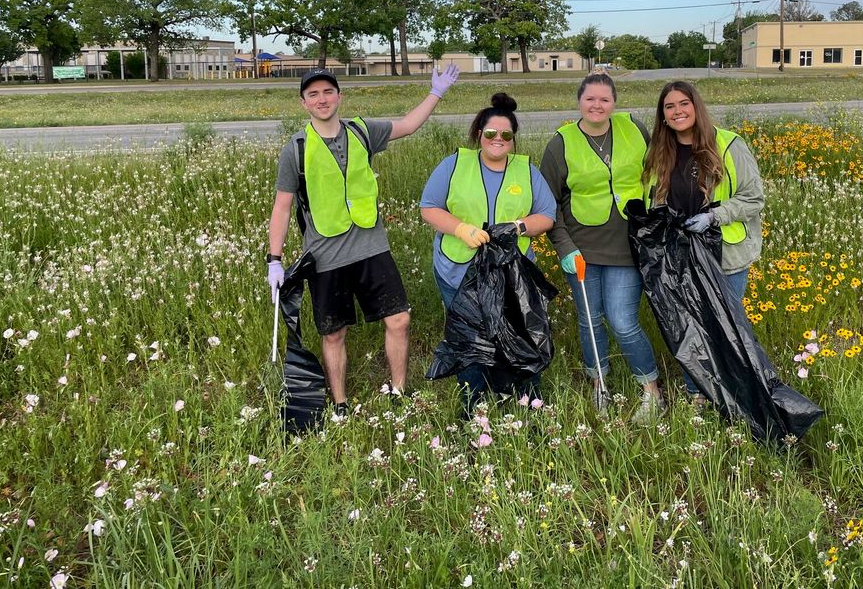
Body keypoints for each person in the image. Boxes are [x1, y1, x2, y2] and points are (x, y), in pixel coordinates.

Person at [267, 65, 459, 416]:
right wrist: (274, 260)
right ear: (303, 103)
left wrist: (437, 92)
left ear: (339, 96)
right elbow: (282, 207)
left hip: (372, 247)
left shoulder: (362, 131)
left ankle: (398, 391)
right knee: (333, 333)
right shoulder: (294, 149)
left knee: (398, 320)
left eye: (328, 92)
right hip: (325, 255)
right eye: (313, 94)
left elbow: (408, 125)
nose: (322, 99)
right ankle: (340, 403)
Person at [540, 73, 666, 422]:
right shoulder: (560, 143)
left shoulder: (635, 129)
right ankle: (600, 385)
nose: (597, 105)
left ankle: (651, 390)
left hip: (629, 246)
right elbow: (547, 202)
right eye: (590, 99)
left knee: (624, 321)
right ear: (579, 101)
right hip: (581, 249)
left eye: (604, 99)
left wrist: (655, 218)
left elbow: (657, 172)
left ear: (614, 102)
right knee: (590, 320)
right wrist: (564, 247)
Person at [420, 92, 556, 413]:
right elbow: (429, 207)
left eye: (506, 135)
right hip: (458, 271)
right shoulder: (455, 164)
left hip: (512, 274)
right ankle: (473, 403)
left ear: (513, 139)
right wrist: (460, 229)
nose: (498, 139)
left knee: (516, 332)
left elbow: (547, 215)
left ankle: (521, 399)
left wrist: (519, 226)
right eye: (491, 133)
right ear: (479, 134)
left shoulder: (526, 171)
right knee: (469, 337)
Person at [641, 79, 764, 316]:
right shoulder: (657, 152)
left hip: (724, 257)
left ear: (696, 106)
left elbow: (753, 198)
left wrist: (713, 217)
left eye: (684, 103)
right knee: (693, 330)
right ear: (663, 115)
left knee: (728, 327)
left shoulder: (729, 145)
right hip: (678, 257)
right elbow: (653, 200)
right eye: (669, 106)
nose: (678, 111)